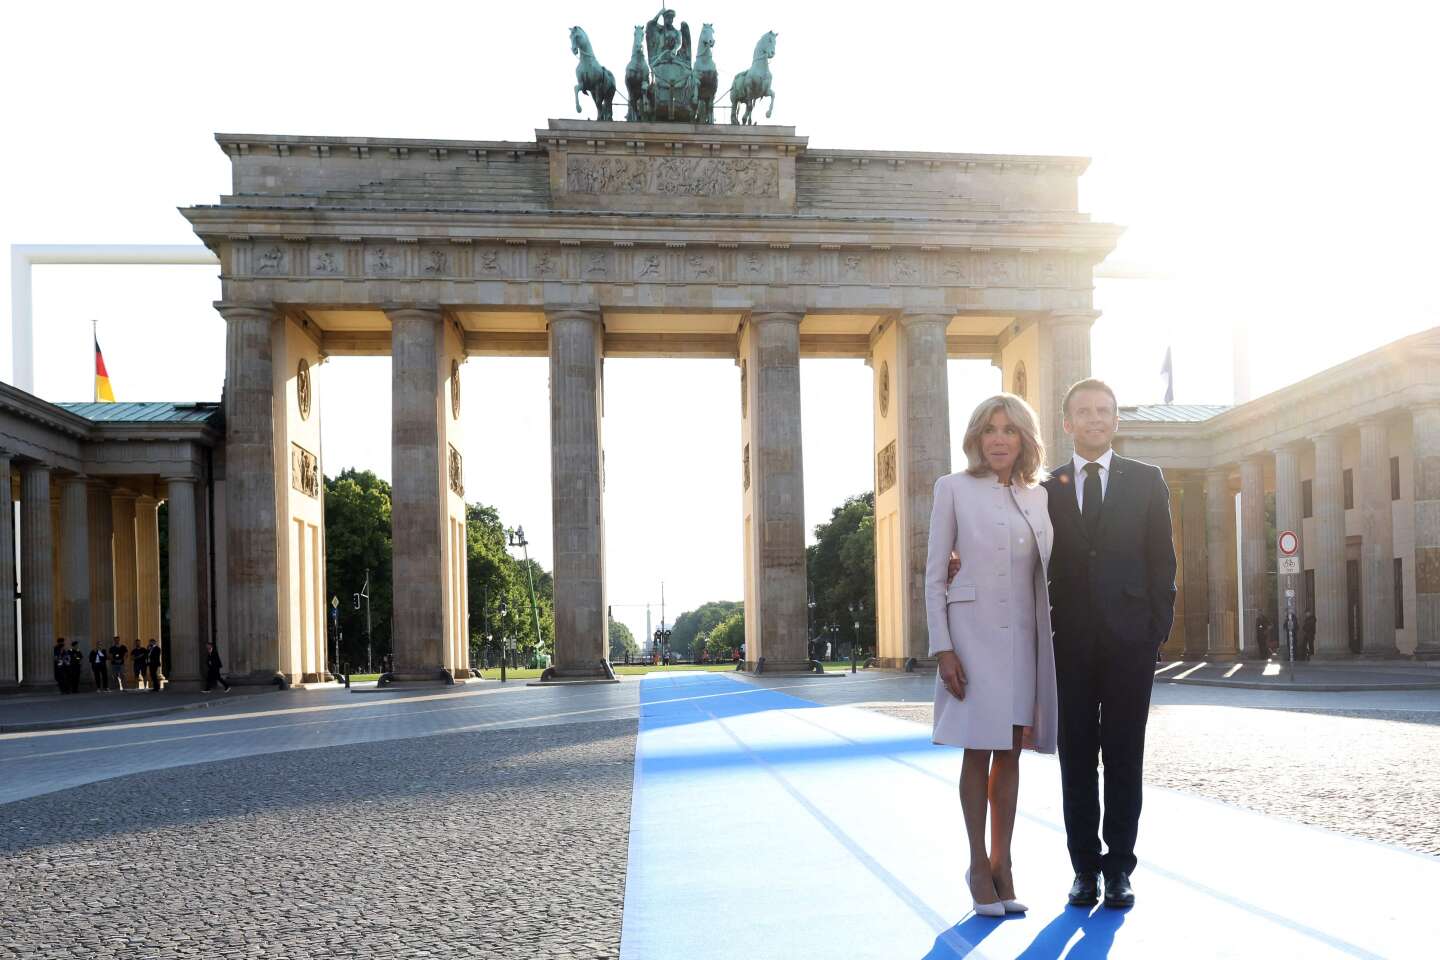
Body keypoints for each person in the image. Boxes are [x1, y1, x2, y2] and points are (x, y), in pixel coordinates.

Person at [1041, 378, 1176, 910]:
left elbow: (1162, 560)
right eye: (1084, 411)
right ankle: (1084, 869)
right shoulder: (1046, 487)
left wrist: (1154, 630)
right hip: (1068, 644)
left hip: (1129, 643)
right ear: (1067, 422)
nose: (1095, 418)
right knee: (1076, 759)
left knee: (1124, 757)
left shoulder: (1147, 479)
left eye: (1104, 410)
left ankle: (1119, 868)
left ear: (1116, 420)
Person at [926, 393, 1057, 918]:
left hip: (1025, 637)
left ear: (1025, 439)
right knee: (977, 750)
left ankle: (1004, 865)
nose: (999, 439)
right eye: (990, 429)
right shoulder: (952, 488)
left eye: (1010, 430)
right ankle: (978, 865)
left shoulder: (1039, 497)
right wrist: (943, 647)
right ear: (976, 438)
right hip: (971, 637)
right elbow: (934, 575)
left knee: (1010, 754)